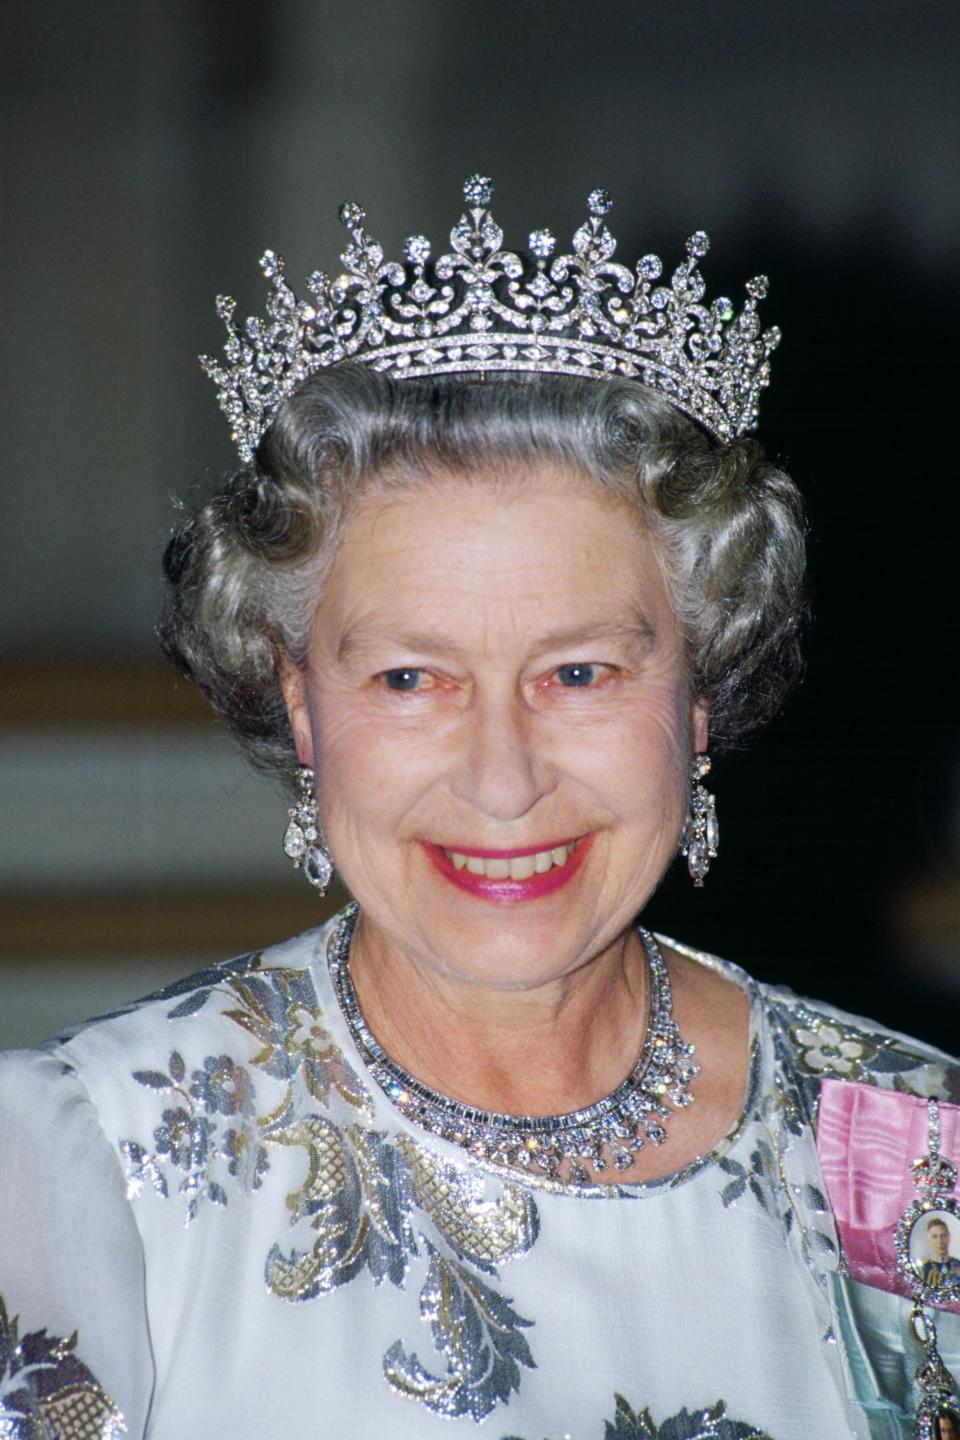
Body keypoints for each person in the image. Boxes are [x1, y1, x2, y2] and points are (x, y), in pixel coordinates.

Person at [1, 176, 959, 1438]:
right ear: (301, 706)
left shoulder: (907, 1155)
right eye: (410, 677)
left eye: (579, 673)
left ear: (699, 697)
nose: (503, 780)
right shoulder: (85, 1178)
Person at [921, 1218, 960, 1290]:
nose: (940, 1241)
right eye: (935, 1237)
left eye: (943, 1235)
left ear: (948, 1237)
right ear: (929, 1240)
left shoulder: (958, 1263)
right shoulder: (924, 1268)